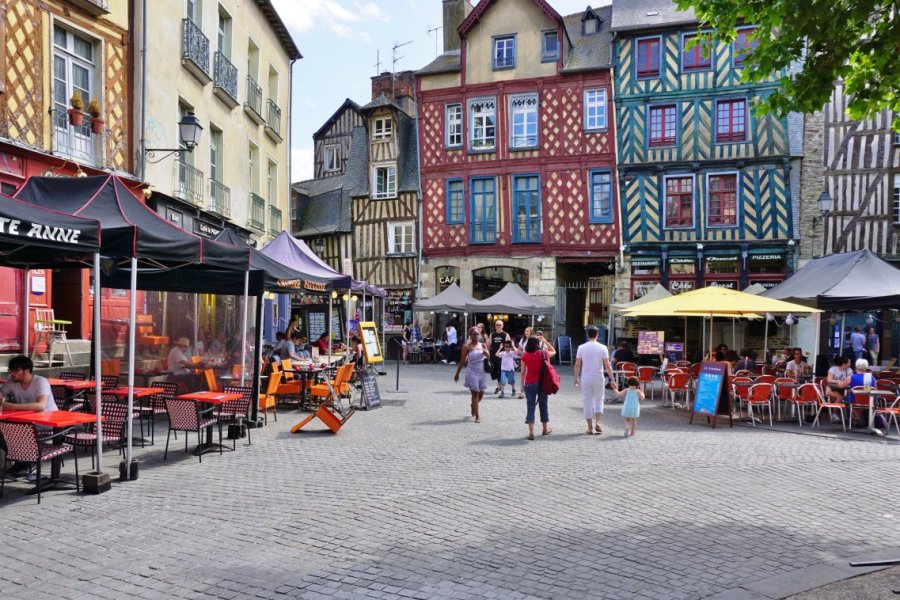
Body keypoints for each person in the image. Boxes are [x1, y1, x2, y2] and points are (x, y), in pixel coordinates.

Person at [574, 325, 616, 435]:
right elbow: (607, 365)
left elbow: (577, 364)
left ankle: (589, 427)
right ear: (597, 335)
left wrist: (575, 378)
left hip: (586, 377)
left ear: (587, 334)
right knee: (599, 400)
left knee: (587, 401)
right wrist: (612, 379)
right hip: (599, 377)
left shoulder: (581, 347)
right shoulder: (603, 348)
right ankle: (598, 422)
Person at [520, 335, 552, 440]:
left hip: (529, 383)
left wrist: (522, 387)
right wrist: (545, 341)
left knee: (530, 407)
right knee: (543, 406)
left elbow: (522, 372)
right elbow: (554, 351)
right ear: (538, 344)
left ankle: (531, 432)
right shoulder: (543, 354)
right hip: (542, 384)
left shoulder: (525, 355)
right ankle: (545, 429)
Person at [453, 326, 487, 423]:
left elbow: (488, 356)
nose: (476, 336)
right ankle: (477, 416)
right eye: (474, 334)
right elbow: (462, 361)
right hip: (472, 371)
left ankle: (473, 405)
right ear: (470, 335)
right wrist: (457, 374)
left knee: (481, 394)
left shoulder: (482, 345)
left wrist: (486, 352)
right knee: (475, 393)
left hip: (482, 371)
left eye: (477, 334)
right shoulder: (466, 347)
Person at [837, 358, 877, 426]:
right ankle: (858, 418)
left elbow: (841, 386)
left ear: (856, 367)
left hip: (855, 401)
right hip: (870, 401)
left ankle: (858, 417)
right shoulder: (872, 378)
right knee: (861, 399)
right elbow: (875, 389)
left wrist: (838, 381)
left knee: (847, 401)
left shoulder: (851, 377)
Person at [489, 320, 512, 392]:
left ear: (502, 326)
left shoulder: (505, 334)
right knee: (493, 372)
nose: (498, 326)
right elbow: (489, 345)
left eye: (500, 325)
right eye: (497, 325)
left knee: (500, 371)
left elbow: (509, 345)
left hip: (502, 356)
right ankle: (499, 384)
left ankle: (498, 387)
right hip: (493, 355)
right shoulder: (492, 334)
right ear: (495, 326)